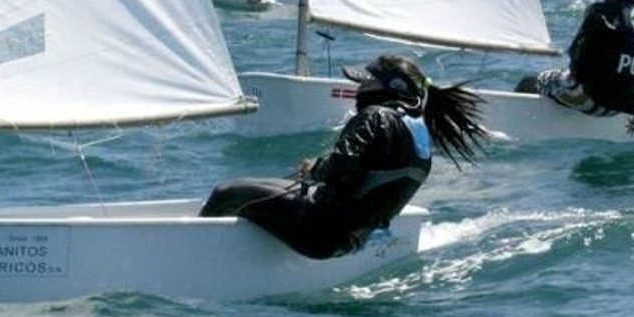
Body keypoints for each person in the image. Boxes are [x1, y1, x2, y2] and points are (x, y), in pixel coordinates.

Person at [199, 55, 487, 259]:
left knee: (226, 193)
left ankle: (198, 258)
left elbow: (341, 167)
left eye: (365, 83)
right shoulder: (419, 131)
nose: (358, 89)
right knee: (265, 188)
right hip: (353, 239)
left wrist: (315, 167)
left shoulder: (375, 116)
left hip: (318, 230)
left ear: (391, 89)